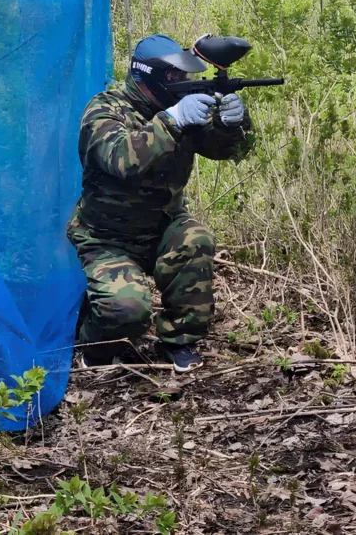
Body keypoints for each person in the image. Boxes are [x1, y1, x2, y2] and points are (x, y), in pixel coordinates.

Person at [67, 33, 254, 372]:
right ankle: (94, 343)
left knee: (195, 239)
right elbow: (122, 159)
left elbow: (228, 151)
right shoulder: (105, 109)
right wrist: (173, 120)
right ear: (154, 76)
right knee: (127, 310)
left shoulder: (178, 109)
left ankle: (181, 338)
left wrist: (233, 124)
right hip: (105, 240)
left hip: (162, 227)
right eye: (177, 77)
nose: (184, 82)